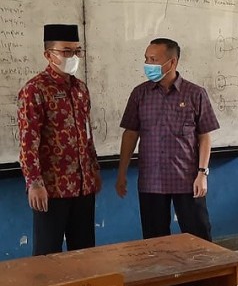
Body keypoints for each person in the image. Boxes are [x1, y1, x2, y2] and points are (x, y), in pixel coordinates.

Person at [117, 38, 219, 240]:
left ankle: (206, 273)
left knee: (198, 237)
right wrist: (122, 173)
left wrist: (202, 173)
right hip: (151, 180)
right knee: (155, 242)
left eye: (153, 59)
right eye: (146, 58)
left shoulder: (195, 94)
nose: (148, 64)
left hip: (187, 179)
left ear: (172, 63)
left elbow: (205, 136)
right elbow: (130, 134)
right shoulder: (140, 94)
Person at [18, 24, 101, 256]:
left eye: (77, 51)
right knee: (47, 255)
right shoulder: (35, 90)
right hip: (51, 189)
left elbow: (86, 134)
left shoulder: (80, 89)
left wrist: (94, 170)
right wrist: (34, 182)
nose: (73, 57)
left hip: (83, 186)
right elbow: (28, 141)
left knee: (85, 252)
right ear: (48, 54)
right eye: (66, 51)